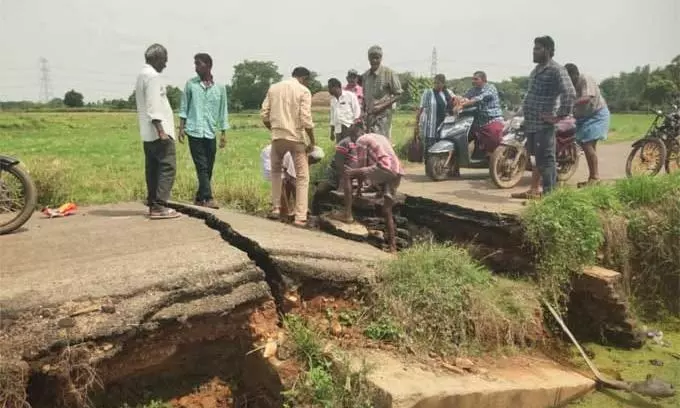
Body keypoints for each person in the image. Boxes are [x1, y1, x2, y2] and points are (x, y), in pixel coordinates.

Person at [511, 36, 576, 200]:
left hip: (543, 125)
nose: (533, 51)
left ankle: (550, 197)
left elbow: (569, 93)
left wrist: (558, 116)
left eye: (538, 48)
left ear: (548, 50)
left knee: (546, 160)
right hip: (531, 124)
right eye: (533, 48)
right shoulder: (536, 71)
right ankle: (534, 191)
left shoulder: (556, 70)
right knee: (535, 160)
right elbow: (530, 96)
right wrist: (518, 114)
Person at [260, 66, 316, 226]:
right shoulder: (303, 91)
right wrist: (312, 141)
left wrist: (274, 130)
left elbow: (264, 115)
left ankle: (276, 208)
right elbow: (306, 119)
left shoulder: (274, 88)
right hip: (296, 138)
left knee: (276, 172)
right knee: (302, 177)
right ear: (304, 78)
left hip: (278, 137)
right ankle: (300, 216)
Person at [339, 122, 404, 253]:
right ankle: (392, 247)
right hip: (397, 171)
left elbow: (361, 167)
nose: (353, 142)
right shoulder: (379, 136)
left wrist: (358, 192)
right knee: (387, 210)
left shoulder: (361, 141)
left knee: (347, 174)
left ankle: (347, 214)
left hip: (384, 167)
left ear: (355, 135)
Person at [178, 53, 229, 209]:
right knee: (201, 165)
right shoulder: (191, 85)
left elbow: (223, 110)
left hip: (210, 131)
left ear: (208, 65)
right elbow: (184, 107)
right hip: (194, 131)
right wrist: (181, 127)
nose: (196, 67)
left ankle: (200, 197)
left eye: (198, 64)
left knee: (209, 165)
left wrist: (223, 133)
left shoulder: (220, 88)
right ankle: (208, 197)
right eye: (195, 64)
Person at [135, 43, 180, 219]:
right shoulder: (153, 76)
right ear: (157, 58)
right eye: (164, 60)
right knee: (167, 167)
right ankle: (160, 206)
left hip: (147, 134)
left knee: (153, 169)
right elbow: (153, 105)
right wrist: (161, 131)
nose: (165, 64)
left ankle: (153, 204)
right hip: (159, 132)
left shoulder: (141, 75)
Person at [565, 63, 610, 187]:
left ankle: (595, 178)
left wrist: (571, 103)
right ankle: (593, 178)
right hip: (583, 117)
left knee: (587, 144)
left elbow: (587, 98)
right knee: (587, 146)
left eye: (568, 78)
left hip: (596, 115)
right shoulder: (569, 85)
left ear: (575, 75)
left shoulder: (585, 79)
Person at [261, 144, 324, 220]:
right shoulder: (298, 158)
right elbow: (294, 183)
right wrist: (303, 207)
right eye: (313, 161)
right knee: (280, 184)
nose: (312, 164)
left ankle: (283, 210)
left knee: (286, 182)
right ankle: (283, 212)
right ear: (309, 156)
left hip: (280, 157)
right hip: (271, 156)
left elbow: (291, 182)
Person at [456, 71, 504, 155]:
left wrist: (465, 104)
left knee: (494, 137)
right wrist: (459, 100)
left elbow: (479, 98)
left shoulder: (491, 88)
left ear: (484, 80)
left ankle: (492, 155)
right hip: (476, 120)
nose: (473, 81)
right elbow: (465, 97)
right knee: (461, 134)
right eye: (473, 79)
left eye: (476, 79)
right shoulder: (473, 90)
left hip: (492, 119)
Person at [310, 137, 359, 216]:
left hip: (353, 177)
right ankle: (315, 214)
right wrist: (341, 183)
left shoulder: (363, 143)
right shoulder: (345, 142)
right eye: (359, 127)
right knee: (320, 191)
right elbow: (338, 164)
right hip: (335, 176)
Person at [362, 45, 403, 138]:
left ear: (381, 58)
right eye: (372, 58)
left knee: (380, 143)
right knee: (369, 143)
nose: (374, 61)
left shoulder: (389, 73)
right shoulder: (365, 76)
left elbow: (399, 94)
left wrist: (381, 106)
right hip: (369, 116)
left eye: (377, 58)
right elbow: (364, 96)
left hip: (383, 116)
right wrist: (363, 112)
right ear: (368, 58)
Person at [415, 74, 454, 162]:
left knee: (443, 147)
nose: (436, 85)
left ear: (443, 84)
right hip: (431, 125)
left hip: (444, 125)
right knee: (430, 147)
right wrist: (416, 123)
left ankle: (440, 168)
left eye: (438, 83)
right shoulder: (428, 93)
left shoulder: (448, 93)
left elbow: (455, 102)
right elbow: (421, 108)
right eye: (435, 83)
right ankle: (429, 168)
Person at [328, 78, 361, 142]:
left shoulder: (350, 95)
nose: (329, 90)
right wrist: (332, 132)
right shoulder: (332, 100)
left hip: (349, 127)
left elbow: (357, 111)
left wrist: (354, 127)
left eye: (330, 88)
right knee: (340, 149)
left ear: (337, 87)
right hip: (338, 129)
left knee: (350, 147)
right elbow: (332, 117)